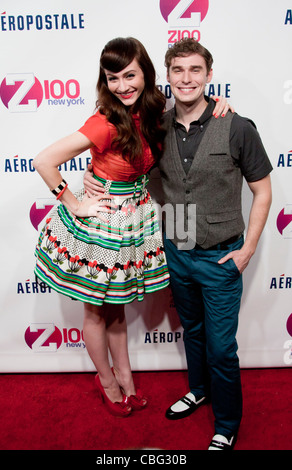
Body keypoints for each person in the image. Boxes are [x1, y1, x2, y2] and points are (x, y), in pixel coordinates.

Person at [85, 38, 272, 449]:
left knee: (222, 348)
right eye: (178, 71)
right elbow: (135, 171)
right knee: (193, 331)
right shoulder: (156, 126)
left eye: (195, 70)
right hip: (177, 250)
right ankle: (198, 388)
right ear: (167, 77)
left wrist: (248, 249)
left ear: (208, 75)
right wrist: (91, 179)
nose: (186, 79)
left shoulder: (237, 126)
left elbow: (263, 192)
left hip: (223, 256)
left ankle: (226, 423)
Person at [33, 37, 172, 417]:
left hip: (133, 221)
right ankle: (107, 381)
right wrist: (75, 202)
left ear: (145, 73)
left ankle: (125, 378)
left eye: (130, 75)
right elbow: (44, 160)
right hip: (102, 225)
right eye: (113, 78)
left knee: (116, 307)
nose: (123, 86)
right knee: (96, 309)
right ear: (104, 81)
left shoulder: (154, 111)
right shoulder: (105, 121)